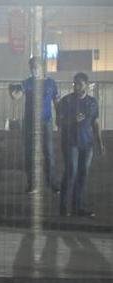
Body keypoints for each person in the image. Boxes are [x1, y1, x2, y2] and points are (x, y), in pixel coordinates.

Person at [8, 56, 59, 193]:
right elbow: (16, 96)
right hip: (30, 123)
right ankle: (32, 184)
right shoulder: (28, 82)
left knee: (48, 152)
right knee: (30, 153)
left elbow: (56, 101)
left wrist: (59, 117)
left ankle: (52, 183)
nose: (33, 70)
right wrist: (11, 91)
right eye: (31, 67)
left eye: (35, 66)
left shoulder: (51, 83)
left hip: (46, 121)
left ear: (42, 67)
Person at [57, 72, 103, 218]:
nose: (76, 87)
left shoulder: (92, 102)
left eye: (79, 84)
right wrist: (72, 120)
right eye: (74, 84)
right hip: (71, 143)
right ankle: (64, 208)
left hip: (87, 143)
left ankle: (79, 207)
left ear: (87, 85)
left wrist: (100, 143)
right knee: (71, 173)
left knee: (82, 175)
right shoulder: (66, 101)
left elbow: (96, 123)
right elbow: (59, 122)